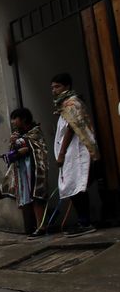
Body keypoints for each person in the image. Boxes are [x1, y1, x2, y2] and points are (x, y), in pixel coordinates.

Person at [51, 73, 100, 237]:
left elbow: (72, 128)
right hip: (71, 154)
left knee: (77, 186)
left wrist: (62, 153)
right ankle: (83, 221)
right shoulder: (63, 105)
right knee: (73, 186)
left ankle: (85, 222)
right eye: (52, 87)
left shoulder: (72, 103)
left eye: (57, 86)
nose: (54, 90)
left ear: (67, 86)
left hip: (77, 152)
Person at [0, 108, 49, 238]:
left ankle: (42, 227)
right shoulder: (18, 134)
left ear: (24, 119)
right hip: (23, 172)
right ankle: (35, 226)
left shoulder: (35, 132)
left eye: (15, 118)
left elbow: (33, 148)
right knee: (27, 199)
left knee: (37, 197)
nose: (13, 122)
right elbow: (17, 149)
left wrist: (20, 147)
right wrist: (13, 144)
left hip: (35, 170)